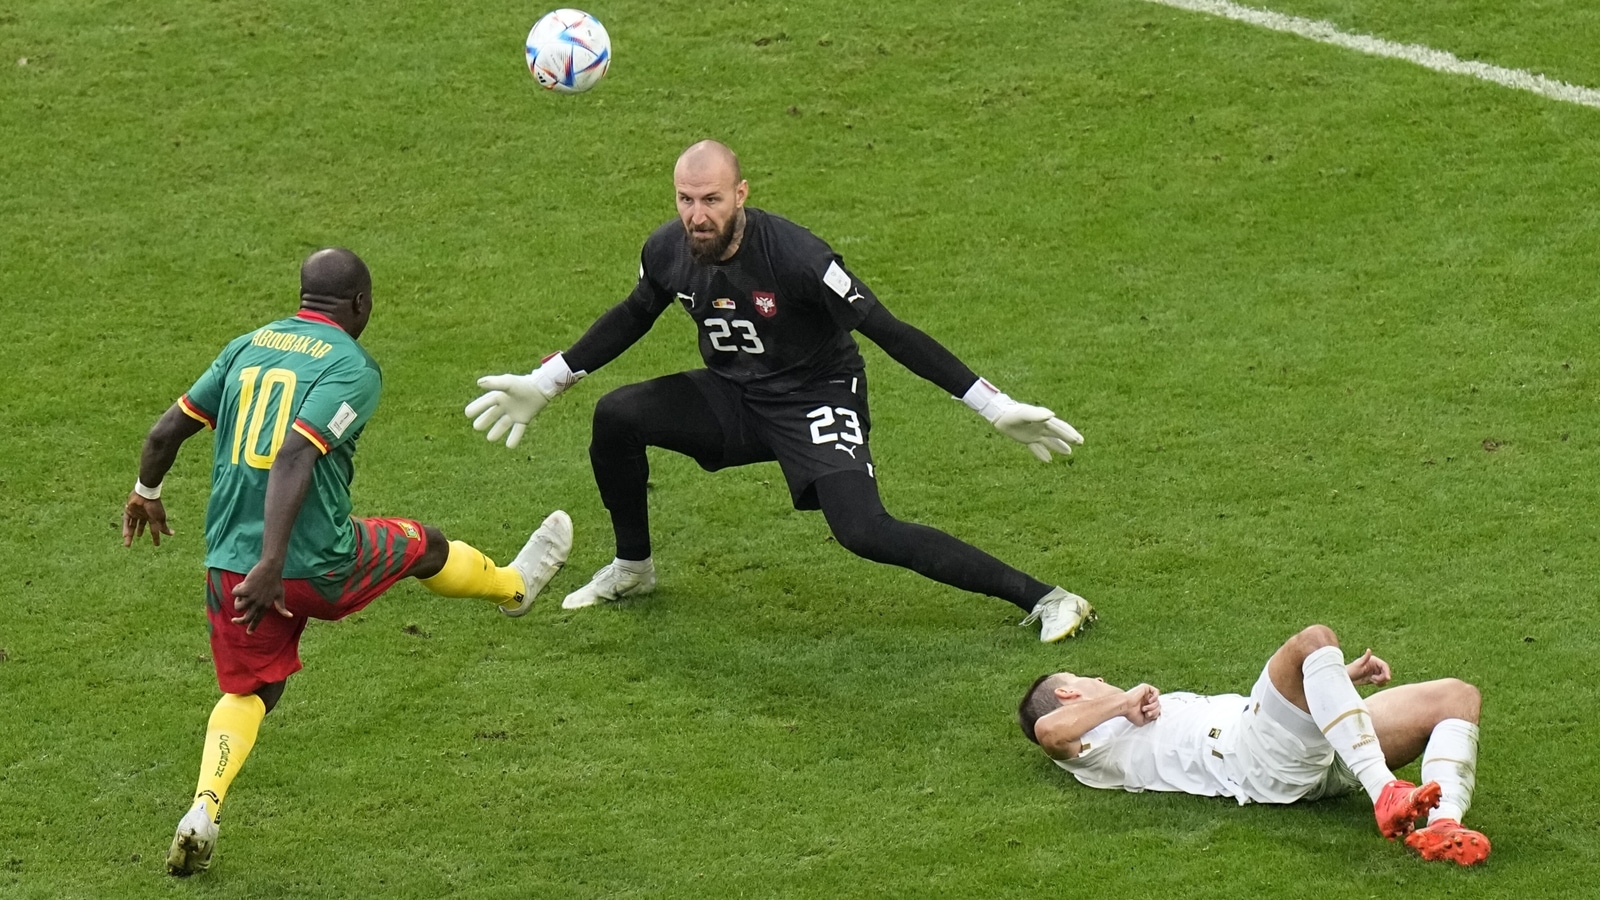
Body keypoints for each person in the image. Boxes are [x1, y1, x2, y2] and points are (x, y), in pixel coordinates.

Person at [465, 140, 1093, 641]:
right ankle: (634, 569)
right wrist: (548, 381)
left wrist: (994, 405)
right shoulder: (667, 249)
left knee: (864, 530)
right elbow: (634, 314)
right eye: (685, 199)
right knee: (618, 416)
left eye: (710, 199)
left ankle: (1047, 597)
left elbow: (890, 331)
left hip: (818, 395)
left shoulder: (798, 257)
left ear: (740, 194)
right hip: (736, 397)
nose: (696, 215)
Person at [123, 248, 574, 876]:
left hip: (231, 566)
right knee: (427, 546)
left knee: (251, 688)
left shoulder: (247, 345)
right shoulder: (352, 366)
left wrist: (146, 493)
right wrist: (276, 563)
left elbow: (164, 433)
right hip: (310, 561)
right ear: (361, 303)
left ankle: (203, 809)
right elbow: (292, 457)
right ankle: (513, 588)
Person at [1017, 624, 1490, 865]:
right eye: (1086, 679)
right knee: (1313, 641)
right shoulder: (1090, 748)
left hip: (1299, 749)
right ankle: (1386, 793)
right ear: (1067, 694)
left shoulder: (1125, 717)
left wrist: (1342, 680)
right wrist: (1120, 703)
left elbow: (1287, 714)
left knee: (1456, 696)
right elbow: (1049, 734)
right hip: (1254, 758)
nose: (1100, 679)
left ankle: (1442, 825)